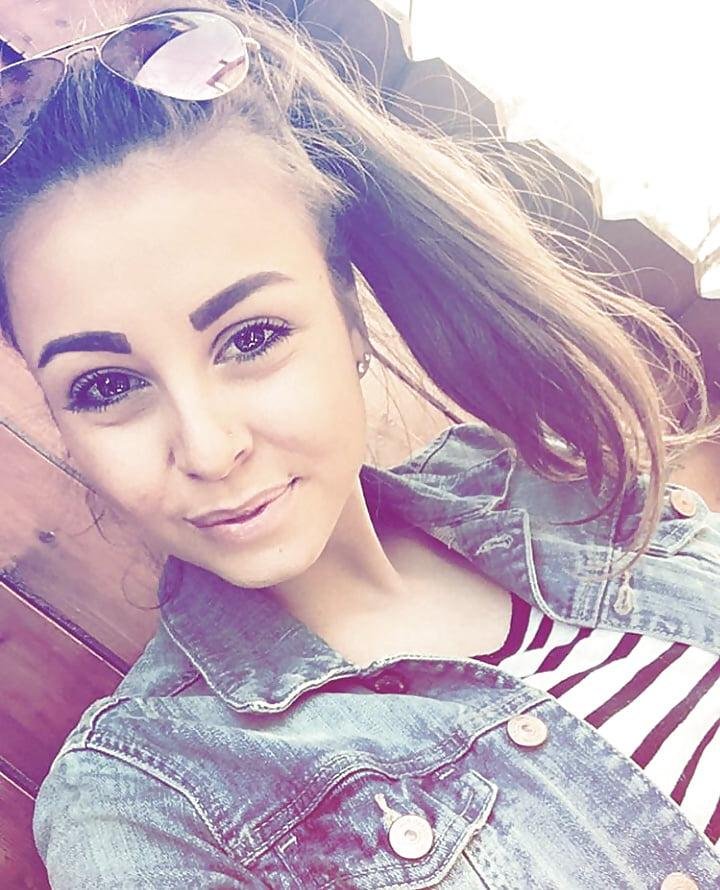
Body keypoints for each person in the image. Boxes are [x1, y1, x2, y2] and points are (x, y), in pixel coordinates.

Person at [1, 1, 718, 887]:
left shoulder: (550, 482)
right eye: (107, 388)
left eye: (251, 338)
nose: (209, 448)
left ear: (348, 320)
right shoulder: (143, 807)